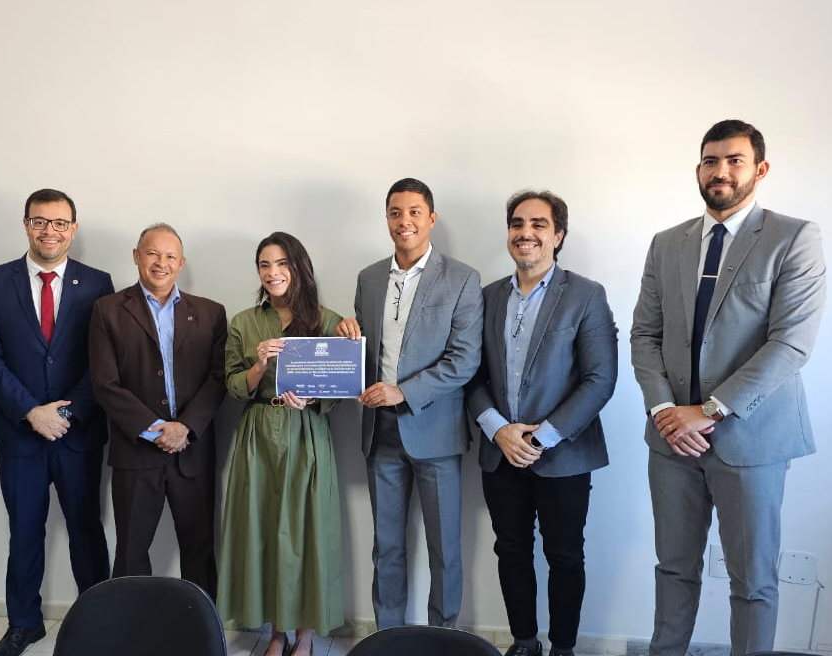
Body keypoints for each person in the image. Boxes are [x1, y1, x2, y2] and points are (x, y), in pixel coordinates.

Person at [630, 119, 827, 656]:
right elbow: (645, 334)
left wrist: (710, 410)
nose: (721, 171)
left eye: (734, 160)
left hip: (751, 438)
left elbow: (791, 344)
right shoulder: (666, 244)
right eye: (710, 161)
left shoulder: (794, 237)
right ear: (698, 169)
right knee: (673, 569)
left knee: (753, 581)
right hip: (671, 441)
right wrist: (665, 410)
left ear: (760, 169)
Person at [466, 190, 618, 656]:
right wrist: (498, 429)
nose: (525, 232)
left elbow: (600, 379)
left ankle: (563, 648)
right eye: (517, 223)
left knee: (565, 556)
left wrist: (540, 437)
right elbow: (471, 375)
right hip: (501, 451)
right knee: (510, 550)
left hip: (564, 454)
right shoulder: (487, 297)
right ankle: (524, 642)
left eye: (538, 224)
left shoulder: (586, 295)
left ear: (558, 235)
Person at [0, 188, 114, 656]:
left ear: (73, 228)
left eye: (59, 222)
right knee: (25, 532)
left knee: (86, 531)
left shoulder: (98, 283)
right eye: (40, 221)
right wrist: (32, 411)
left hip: (78, 434)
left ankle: (95, 622)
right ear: (26, 224)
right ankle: (24, 625)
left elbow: (104, 360)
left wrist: (65, 413)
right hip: (20, 434)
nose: (49, 231)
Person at [336, 177, 483, 629]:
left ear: (431, 218)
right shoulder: (368, 278)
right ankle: (388, 637)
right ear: (387, 219)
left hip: (436, 433)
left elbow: (464, 360)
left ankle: (444, 637)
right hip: (380, 434)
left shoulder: (462, 278)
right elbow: (366, 349)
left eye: (415, 212)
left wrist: (405, 392)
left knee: (445, 550)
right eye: (396, 212)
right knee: (387, 547)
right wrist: (347, 336)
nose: (405, 221)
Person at [219, 231, 345, 656]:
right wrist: (259, 364)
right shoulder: (243, 322)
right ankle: (276, 632)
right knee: (263, 530)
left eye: (282, 263)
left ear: (298, 267)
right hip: (258, 433)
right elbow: (233, 386)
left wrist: (312, 397)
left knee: (307, 530)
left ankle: (304, 635)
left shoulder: (328, 321)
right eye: (264, 265)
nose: (272, 272)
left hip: (306, 433)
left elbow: (342, 387)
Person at [88, 223, 226, 596]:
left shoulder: (211, 313)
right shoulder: (107, 310)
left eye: (170, 256)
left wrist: (185, 427)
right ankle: (133, 626)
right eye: (152, 253)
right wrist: (154, 429)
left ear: (181, 263)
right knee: (131, 552)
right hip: (135, 452)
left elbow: (218, 379)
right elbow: (105, 383)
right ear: (136, 256)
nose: (161, 263)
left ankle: (200, 624)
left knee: (199, 550)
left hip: (192, 452)